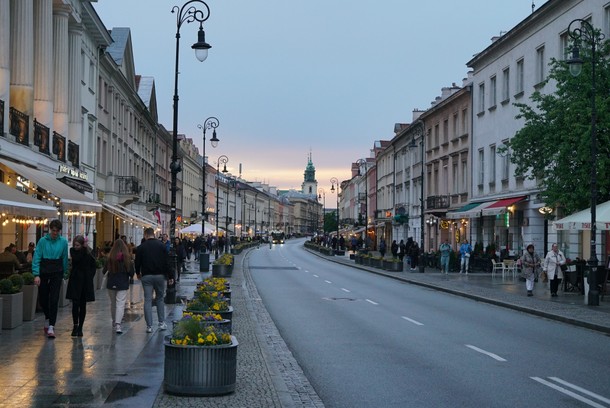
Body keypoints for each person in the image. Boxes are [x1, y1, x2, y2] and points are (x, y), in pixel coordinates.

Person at [32, 219, 69, 338]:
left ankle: (51, 325)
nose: (55, 233)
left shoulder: (63, 242)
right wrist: (36, 274)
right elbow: (37, 256)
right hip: (44, 270)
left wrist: (64, 273)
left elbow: (64, 258)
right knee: (43, 298)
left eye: (57, 231)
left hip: (57, 271)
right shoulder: (42, 241)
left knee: (54, 298)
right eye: (53, 231)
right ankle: (47, 317)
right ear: (50, 229)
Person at [135, 227, 173, 333]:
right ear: (153, 234)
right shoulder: (162, 246)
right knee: (160, 299)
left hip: (146, 276)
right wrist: (171, 276)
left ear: (146, 235)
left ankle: (149, 326)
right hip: (160, 276)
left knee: (148, 300)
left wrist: (138, 273)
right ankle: (161, 323)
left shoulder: (141, 247)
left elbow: (137, 262)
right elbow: (167, 262)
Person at [66, 235, 96, 337]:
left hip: (85, 282)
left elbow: (93, 266)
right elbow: (77, 258)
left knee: (82, 305)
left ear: (82, 244)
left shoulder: (88, 252)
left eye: (78, 245)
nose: (75, 247)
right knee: (75, 304)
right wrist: (84, 249)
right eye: (75, 245)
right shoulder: (73, 251)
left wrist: (90, 276)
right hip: (75, 281)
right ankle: (75, 325)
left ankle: (80, 327)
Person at [104, 239, 133, 334]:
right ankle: (118, 324)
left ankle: (114, 321)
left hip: (111, 283)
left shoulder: (110, 257)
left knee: (113, 303)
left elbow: (104, 271)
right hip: (122, 283)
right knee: (120, 303)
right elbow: (131, 272)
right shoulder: (127, 258)